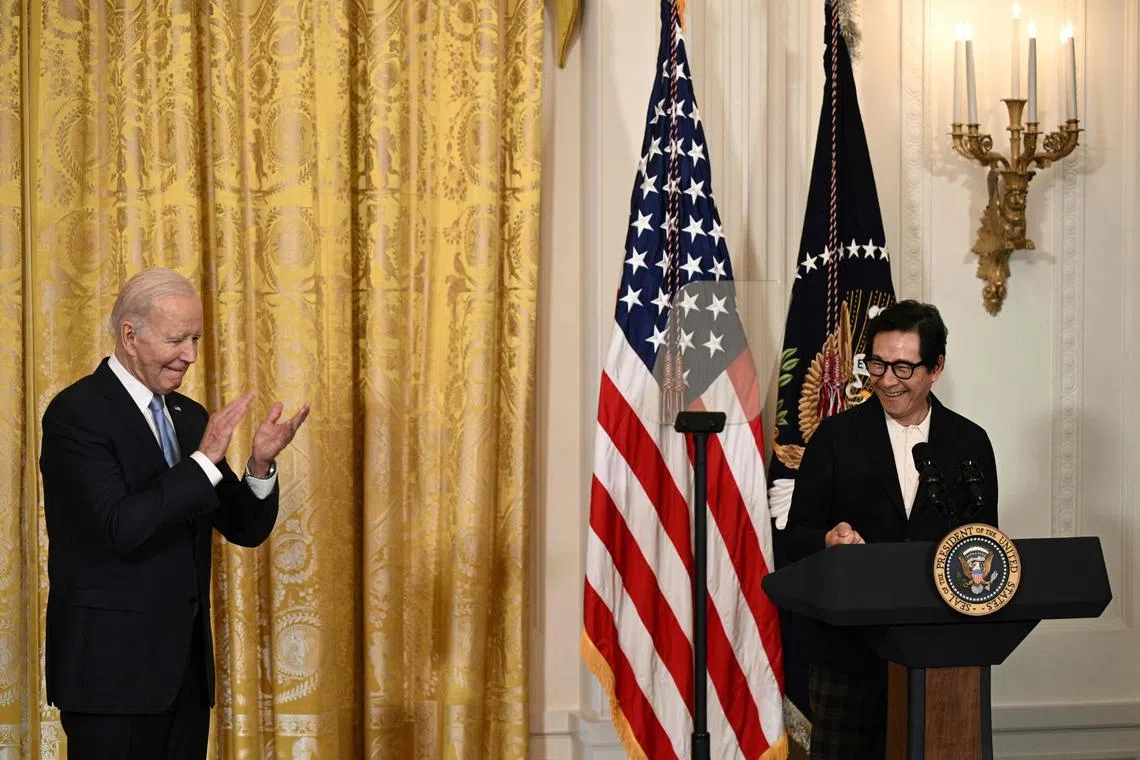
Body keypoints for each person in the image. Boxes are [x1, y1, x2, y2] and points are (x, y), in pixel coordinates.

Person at [40, 268, 311, 759]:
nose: (189, 354)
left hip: (183, 678)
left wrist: (260, 463)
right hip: (109, 679)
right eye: (176, 339)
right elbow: (119, 527)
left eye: (195, 338)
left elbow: (244, 527)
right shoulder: (76, 413)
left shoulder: (189, 418)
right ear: (130, 335)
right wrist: (203, 461)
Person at [784, 300, 998, 759]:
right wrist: (828, 540)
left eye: (904, 366)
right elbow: (795, 534)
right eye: (877, 363)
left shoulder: (969, 443)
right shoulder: (835, 438)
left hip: (943, 652)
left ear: (936, 367)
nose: (886, 379)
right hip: (848, 653)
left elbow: (985, 545)